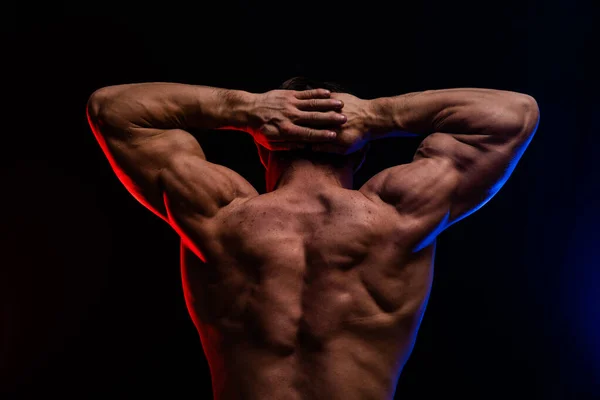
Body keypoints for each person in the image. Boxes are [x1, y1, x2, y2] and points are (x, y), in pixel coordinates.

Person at [86, 77, 539, 400]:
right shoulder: (399, 215)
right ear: (358, 152)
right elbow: (514, 112)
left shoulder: (217, 214)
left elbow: (113, 107)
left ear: (263, 145)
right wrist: (376, 114)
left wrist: (244, 108)